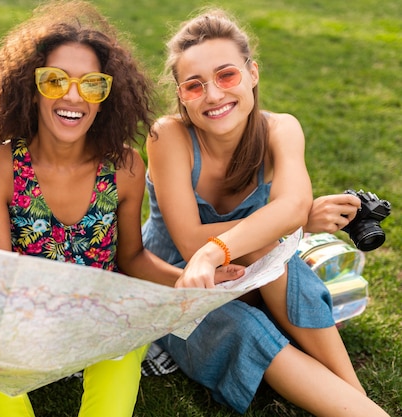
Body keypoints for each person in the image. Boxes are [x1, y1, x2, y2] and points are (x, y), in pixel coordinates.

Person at [0, 2, 243, 416]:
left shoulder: (125, 167)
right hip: (25, 319)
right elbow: (2, 277)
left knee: (123, 348)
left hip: (103, 322)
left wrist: (191, 282)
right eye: (55, 81)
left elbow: (130, 257)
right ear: (30, 87)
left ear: (107, 96)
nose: (73, 96)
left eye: (92, 84)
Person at [141, 8, 389, 417]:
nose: (215, 95)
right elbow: (189, 242)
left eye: (227, 75)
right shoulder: (168, 136)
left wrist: (289, 219)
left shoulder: (281, 129)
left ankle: (356, 393)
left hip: (255, 273)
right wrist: (294, 222)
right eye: (194, 86)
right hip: (182, 282)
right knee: (247, 327)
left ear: (252, 72)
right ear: (181, 94)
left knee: (273, 259)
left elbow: (291, 206)